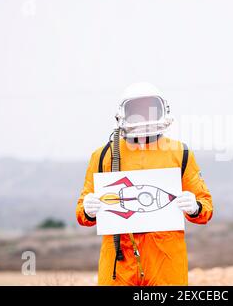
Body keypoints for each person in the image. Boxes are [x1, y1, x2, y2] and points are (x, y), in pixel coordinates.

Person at [76, 82, 213, 286]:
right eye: (136, 112)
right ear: (122, 114)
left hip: (166, 262)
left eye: (149, 111)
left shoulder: (179, 153)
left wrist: (195, 207)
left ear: (162, 111)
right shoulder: (104, 156)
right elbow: (82, 213)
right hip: (119, 262)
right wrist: (88, 209)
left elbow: (206, 208)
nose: (142, 118)